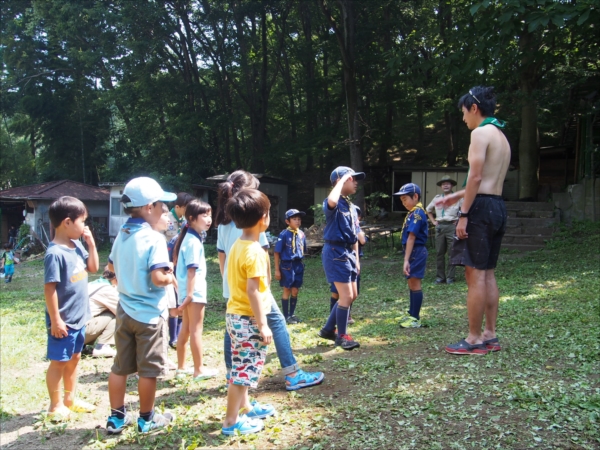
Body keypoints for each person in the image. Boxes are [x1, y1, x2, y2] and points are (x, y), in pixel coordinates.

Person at [215, 170, 323, 392]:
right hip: (254, 287)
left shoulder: (226, 222)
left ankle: (231, 376)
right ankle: (292, 373)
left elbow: (221, 256)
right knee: (278, 322)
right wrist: (266, 286)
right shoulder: (255, 224)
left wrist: (229, 282)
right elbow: (262, 261)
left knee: (231, 329)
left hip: (232, 286)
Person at [436, 86, 510, 355]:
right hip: (498, 206)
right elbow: (488, 180)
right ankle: (490, 334)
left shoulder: (480, 133)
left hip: (480, 210)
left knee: (474, 274)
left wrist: (463, 215)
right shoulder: (501, 136)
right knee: (488, 272)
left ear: (474, 108)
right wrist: (457, 195)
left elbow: (477, 178)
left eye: (464, 112)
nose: (464, 118)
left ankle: (474, 339)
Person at [106, 177, 177, 434]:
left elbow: (110, 268)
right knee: (148, 371)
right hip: (149, 316)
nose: (163, 211)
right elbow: (158, 278)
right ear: (149, 207)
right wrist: (171, 275)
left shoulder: (121, 235)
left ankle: (116, 418)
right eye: (161, 206)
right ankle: (146, 419)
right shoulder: (154, 239)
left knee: (120, 367)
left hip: (124, 311)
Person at [222, 188, 275, 435]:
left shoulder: (239, 244)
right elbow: (253, 291)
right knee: (243, 372)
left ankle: (244, 409)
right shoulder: (254, 251)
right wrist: (262, 324)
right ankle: (231, 422)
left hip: (235, 315)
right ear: (263, 217)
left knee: (241, 366)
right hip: (247, 319)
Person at [44, 196, 100, 422]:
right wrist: (56, 320)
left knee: (75, 357)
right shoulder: (55, 253)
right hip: (64, 321)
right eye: (82, 221)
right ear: (67, 222)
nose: (85, 226)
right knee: (59, 362)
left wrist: (91, 243)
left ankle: (70, 399)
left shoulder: (76, 245)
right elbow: (50, 290)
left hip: (79, 317)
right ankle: (54, 406)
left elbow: (94, 268)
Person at [317, 166, 364, 350]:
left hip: (348, 253)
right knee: (345, 296)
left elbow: (354, 233)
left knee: (352, 295)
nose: (356, 182)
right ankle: (342, 336)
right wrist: (340, 181)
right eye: (352, 178)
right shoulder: (332, 203)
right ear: (342, 181)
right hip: (335, 253)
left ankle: (329, 329)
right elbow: (331, 200)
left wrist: (357, 260)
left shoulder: (351, 206)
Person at [172, 199, 219, 381]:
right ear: (191, 218)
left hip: (187, 291)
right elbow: (192, 270)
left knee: (185, 328)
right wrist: (191, 295)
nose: (209, 219)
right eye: (204, 215)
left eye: (210, 214)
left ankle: (182, 367)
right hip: (194, 292)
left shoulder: (189, 237)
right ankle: (198, 370)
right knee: (196, 330)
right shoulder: (192, 241)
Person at [394, 183, 428, 328]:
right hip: (413, 251)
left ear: (415, 196)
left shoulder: (417, 213)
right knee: (411, 284)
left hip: (416, 251)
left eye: (405, 199)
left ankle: (415, 318)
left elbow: (412, 237)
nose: (403, 203)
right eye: (401, 200)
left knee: (415, 284)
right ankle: (411, 313)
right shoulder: (413, 212)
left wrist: (406, 260)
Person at [328, 205, 367, 324]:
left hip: (353, 262)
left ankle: (347, 315)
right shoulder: (341, 227)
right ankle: (333, 319)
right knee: (336, 293)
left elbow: (362, 241)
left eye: (358, 215)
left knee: (352, 294)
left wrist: (357, 228)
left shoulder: (356, 229)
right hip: (341, 260)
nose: (357, 217)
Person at [165, 192, 194, 350]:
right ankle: (173, 337)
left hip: (181, 261)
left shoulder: (185, 220)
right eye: (186, 208)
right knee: (172, 299)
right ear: (178, 207)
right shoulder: (167, 218)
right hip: (167, 262)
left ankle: (180, 333)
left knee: (181, 294)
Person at [426, 176, 463, 284]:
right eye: (443, 184)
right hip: (440, 227)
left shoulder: (457, 198)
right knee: (439, 253)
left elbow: (465, 209)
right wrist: (433, 222)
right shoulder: (437, 198)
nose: (445, 185)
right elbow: (428, 210)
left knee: (452, 252)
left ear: (452, 186)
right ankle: (440, 277)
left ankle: (450, 277)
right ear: (441, 187)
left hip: (452, 226)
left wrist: (459, 221)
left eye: (448, 183)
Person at [274, 209, 307, 324]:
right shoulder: (283, 235)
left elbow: (304, 250)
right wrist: (277, 270)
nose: (297, 221)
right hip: (287, 265)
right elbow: (277, 252)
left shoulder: (302, 234)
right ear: (287, 221)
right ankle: (285, 315)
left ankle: (292, 314)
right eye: (294, 219)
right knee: (287, 289)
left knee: (295, 290)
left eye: (299, 219)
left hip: (298, 264)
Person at [84, 267, 119, 358]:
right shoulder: (107, 290)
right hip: (82, 330)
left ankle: (81, 347)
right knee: (116, 315)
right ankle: (102, 346)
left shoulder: (93, 284)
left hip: (70, 331)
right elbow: (123, 312)